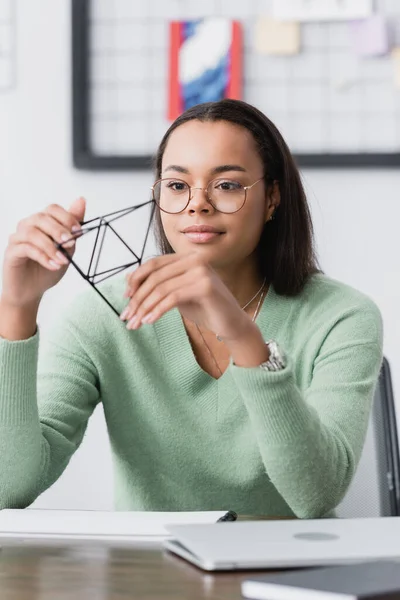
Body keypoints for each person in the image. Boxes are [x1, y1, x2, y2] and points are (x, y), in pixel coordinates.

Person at [0, 99, 382, 518]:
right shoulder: (102, 315)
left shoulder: (342, 316)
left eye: (228, 185)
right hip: (150, 576)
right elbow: (11, 487)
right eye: (178, 186)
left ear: (272, 198)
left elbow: (316, 496)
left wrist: (242, 337)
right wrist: (17, 307)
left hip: (290, 574)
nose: (198, 204)